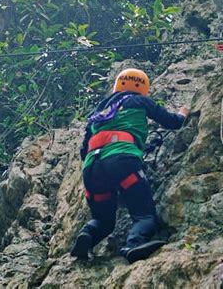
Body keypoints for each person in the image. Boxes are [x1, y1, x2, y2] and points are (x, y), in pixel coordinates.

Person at [70, 68, 189, 264]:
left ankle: (87, 235)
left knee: (103, 221)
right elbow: (172, 122)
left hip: (91, 169)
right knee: (144, 215)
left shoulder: (97, 113)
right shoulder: (140, 100)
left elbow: (84, 152)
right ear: (143, 89)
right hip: (122, 162)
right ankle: (134, 245)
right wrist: (183, 114)